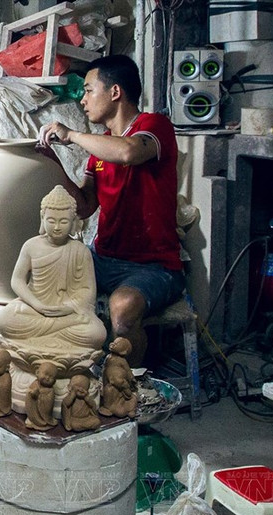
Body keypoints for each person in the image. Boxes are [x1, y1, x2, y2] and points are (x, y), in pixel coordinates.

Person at [39, 54, 185, 367]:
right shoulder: (99, 152)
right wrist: (53, 165)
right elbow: (84, 207)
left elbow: (130, 152)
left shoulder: (155, 126)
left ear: (115, 92)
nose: (83, 100)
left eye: (89, 90)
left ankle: (127, 389)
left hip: (155, 266)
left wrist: (73, 135)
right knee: (42, 277)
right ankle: (71, 368)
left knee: (123, 308)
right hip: (103, 258)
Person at [0, 185, 107, 370]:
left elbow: (88, 291)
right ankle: (55, 333)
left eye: (63, 222)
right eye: (51, 220)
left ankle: (49, 336)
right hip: (35, 308)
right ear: (42, 219)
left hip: (67, 311)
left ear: (73, 223)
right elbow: (17, 280)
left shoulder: (80, 251)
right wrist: (37, 304)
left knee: (97, 333)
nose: (56, 227)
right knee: (4, 319)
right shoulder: (31, 246)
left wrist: (66, 308)